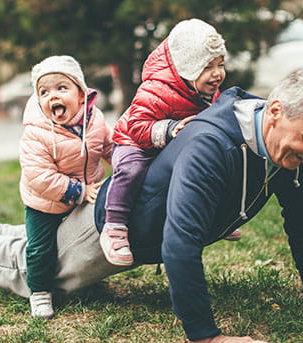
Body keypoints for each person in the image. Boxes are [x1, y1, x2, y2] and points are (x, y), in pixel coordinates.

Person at [0, 69, 303, 343]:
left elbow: (302, 212)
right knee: (31, 271)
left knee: (39, 246)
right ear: (274, 112)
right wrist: (205, 335)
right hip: (109, 229)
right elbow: (180, 242)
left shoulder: (283, 147)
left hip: (133, 228)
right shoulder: (214, 144)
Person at [101, 18, 241, 267]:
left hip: (171, 143)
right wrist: (168, 129)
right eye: (208, 67)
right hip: (135, 141)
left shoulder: (205, 91)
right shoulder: (154, 90)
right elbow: (136, 125)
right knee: (131, 170)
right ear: (186, 67)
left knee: (205, 168)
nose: (217, 73)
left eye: (220, 64)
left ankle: (214, 217)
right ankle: (114, 225)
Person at [18, 55, 112, 318]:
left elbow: (108, 146)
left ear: (82, 94)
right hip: (45, 200)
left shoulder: (95, 119)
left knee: (86, 237)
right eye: (44, 92)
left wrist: (125, 161)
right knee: (40, 247)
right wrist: (79, 192)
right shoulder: (37, 132)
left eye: (62, 88)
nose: (52, 96)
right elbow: (39, 175)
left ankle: (88, 277)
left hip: (87, 189)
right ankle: (39, 292)